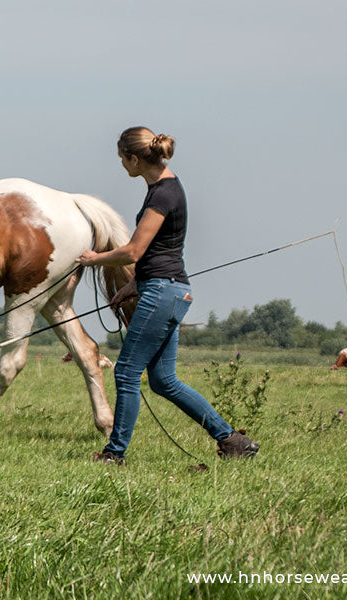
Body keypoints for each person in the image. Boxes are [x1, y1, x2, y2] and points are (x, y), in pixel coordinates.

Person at [76, 126, 259, 465]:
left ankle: (114, 454)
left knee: (127, 371)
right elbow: (161, 251)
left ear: (134, 158)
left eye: (121, 159)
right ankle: (233, 441)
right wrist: (132, 285)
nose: (121, 166)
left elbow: (133, 251)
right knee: (163, 381)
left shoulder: (162, 193)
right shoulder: (163, 188)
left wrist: (94, 259)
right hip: (167, 289)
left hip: (163, 291)